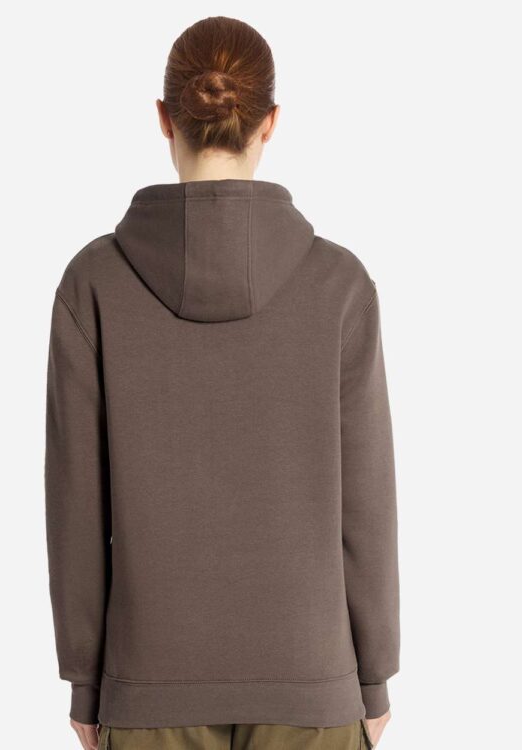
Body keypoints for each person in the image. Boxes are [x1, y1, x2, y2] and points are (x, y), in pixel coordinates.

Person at [44, 15, 400, 750]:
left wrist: (86, 681)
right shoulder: (339, 285)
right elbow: (367, 504)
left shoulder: (94, 283)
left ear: (163, 117)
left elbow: (76, 504)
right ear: (270, 122)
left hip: (147, 688)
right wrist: (372, 680)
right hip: (312, 683)